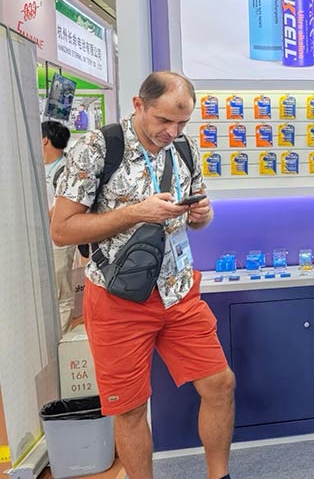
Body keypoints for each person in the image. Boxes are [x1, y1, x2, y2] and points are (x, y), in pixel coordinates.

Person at [50, 71, 235, 479]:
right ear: (138, 105)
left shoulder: (184, 148)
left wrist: (202, 215)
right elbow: (61, 230)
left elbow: (198, 219)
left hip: (179, 292)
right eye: (164, 120)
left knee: (220, 384)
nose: (173, 131)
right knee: (130, 408)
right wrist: (135, 213)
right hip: (118, 299)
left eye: (182, 122)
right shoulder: (97, 148)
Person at [42, 120, 75, 332]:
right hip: (41, 240)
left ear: (45, 140)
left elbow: (61, 207)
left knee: (61, 292)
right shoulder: (39, 168)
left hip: (58, 242)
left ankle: (60, 340)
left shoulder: (65, 170)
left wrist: (38, 221)